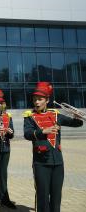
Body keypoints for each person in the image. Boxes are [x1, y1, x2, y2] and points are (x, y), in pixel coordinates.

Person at [23, 82, 83, 212]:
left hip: (57, 163)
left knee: (56, 198)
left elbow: (77, 124)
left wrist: (77, 116)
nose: (36, 102)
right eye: (35, 99)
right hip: (41, 162)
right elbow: (27, 134)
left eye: (40, 99)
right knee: (43, 198)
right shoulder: (29, 117)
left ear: (47, 100)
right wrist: (42, 131)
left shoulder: (56, 115)